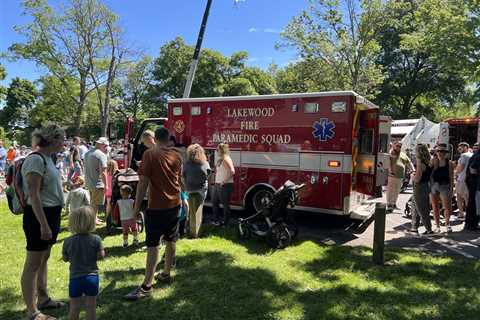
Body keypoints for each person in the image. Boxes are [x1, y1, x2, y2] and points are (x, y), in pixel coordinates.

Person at [125, 127, 182, 301]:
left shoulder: (150, 155)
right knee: (171, 239)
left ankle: (146, 286)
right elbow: (179, 180)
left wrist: (135, 210)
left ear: (155, 139)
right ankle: (166, 273)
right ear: (168, 139)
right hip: (175, 204)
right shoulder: (177, 156)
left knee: (153, 244)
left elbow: (142, 184)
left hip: (157, 206)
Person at [20, 125, 66, 320]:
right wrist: (44, 225)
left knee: (43, 258)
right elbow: (34, 195)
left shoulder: (48, 159)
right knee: (32, 264)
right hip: (39, 217)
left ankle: (44, 298)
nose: (64, 143)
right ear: (53, 140)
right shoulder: (35, 160)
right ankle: (33, 311)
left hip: (51, 214)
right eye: (62, 139)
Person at [62, 206, 105, 320]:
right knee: (91, 307)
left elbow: (65, 258)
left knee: (74, 307)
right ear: (91, 222)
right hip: (92, 277)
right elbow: (101, 255)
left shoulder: (67, 241)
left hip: (75, 278)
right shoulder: (96, 239)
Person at [183, 144, 211, 238]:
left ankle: (189, 229)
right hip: (201, 189)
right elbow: (208, 174)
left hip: (189, 189)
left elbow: (183, 175)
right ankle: (196, 232)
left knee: (190, 210)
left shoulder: (186, 164)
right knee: (199, 209)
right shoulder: (205, 163)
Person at [84, 137, 109, 225]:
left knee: (93, 202)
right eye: (105, 145)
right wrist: (106, 185)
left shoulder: (87, 153)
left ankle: (95, 218)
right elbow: (103, 172)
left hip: (89, 182)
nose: (106, 147)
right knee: (95, 203)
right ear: (101, 144)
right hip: (98, 183)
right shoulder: (101, 155)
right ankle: (93, 220)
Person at [430, 143, 455, 233]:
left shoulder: (449, 163)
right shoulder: (433, 161)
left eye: (442, 151)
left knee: (447, 207)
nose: (440, 153)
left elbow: (452, 177)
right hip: (434, 185)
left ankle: (447, 224)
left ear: (446, 153)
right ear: (436, 152)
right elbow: (429, 174)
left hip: (445, 185)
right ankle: (437, 226)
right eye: (438, 151)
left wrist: (452, 189)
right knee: (435, 207)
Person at [411, 144, 433, 234]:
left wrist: (412, 176)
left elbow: (417, 178)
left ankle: (429, 229)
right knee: (415, 206)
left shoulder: (420, 162)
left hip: (419, 186)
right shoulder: (429, 161)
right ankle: (414, 227)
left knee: (421, 208)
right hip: (426, 185)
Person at [387, 141, 414, 212]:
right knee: (390, 190)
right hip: (392, 175)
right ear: (394, 146)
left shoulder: (403, 154)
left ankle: (393, 203)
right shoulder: (391, 152)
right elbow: (388, 162)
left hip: (400, 176)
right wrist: (390, 170)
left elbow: (409, 162)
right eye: (397, 146)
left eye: (400, 146)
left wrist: (413, 169)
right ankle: (389, 204)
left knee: (397, 190)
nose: (399, 147)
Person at [212, 143, 235, 226]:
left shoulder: (226, 159)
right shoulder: (220, 159)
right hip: (218, 184)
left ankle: (226, 223)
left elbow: (232, 171)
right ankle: (216, 220)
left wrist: (224, 181)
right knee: (214, 202)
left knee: (225, 204)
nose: (216, 151)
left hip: (225, 185)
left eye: (218, 150)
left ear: (222, 150)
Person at [455, 142, 472, 219]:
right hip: (468, 179)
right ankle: (469, 214)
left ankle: (461, 214)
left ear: (465, 147)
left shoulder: (464, 155)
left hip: (461, 179)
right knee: (467, 198)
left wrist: (455, 172)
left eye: (461, 147)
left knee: (459, 197)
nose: (459, 149)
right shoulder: (471, 154)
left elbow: (461, 167)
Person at [465, 143, 480, 230]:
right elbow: (472, 169)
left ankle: (470, 224)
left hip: (472, 182)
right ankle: (472, 224)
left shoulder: (476, 154)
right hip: (475, 183)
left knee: (472, 204)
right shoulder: (478, 155)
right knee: (474, 205)